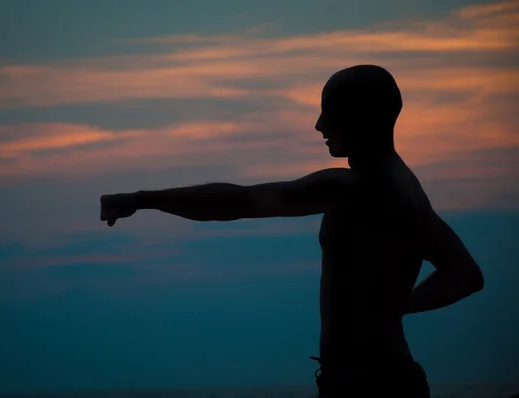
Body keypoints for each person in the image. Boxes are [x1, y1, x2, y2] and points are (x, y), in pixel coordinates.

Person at [99, 65, 484, 397]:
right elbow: (465, 274)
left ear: (362, 116)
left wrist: (142, 198)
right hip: (387, 376)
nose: (319, 125)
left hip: (366, 385)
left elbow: (240, 203)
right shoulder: (408, 191)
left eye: (329, 112)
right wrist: (397, 305)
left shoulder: (351, 189)